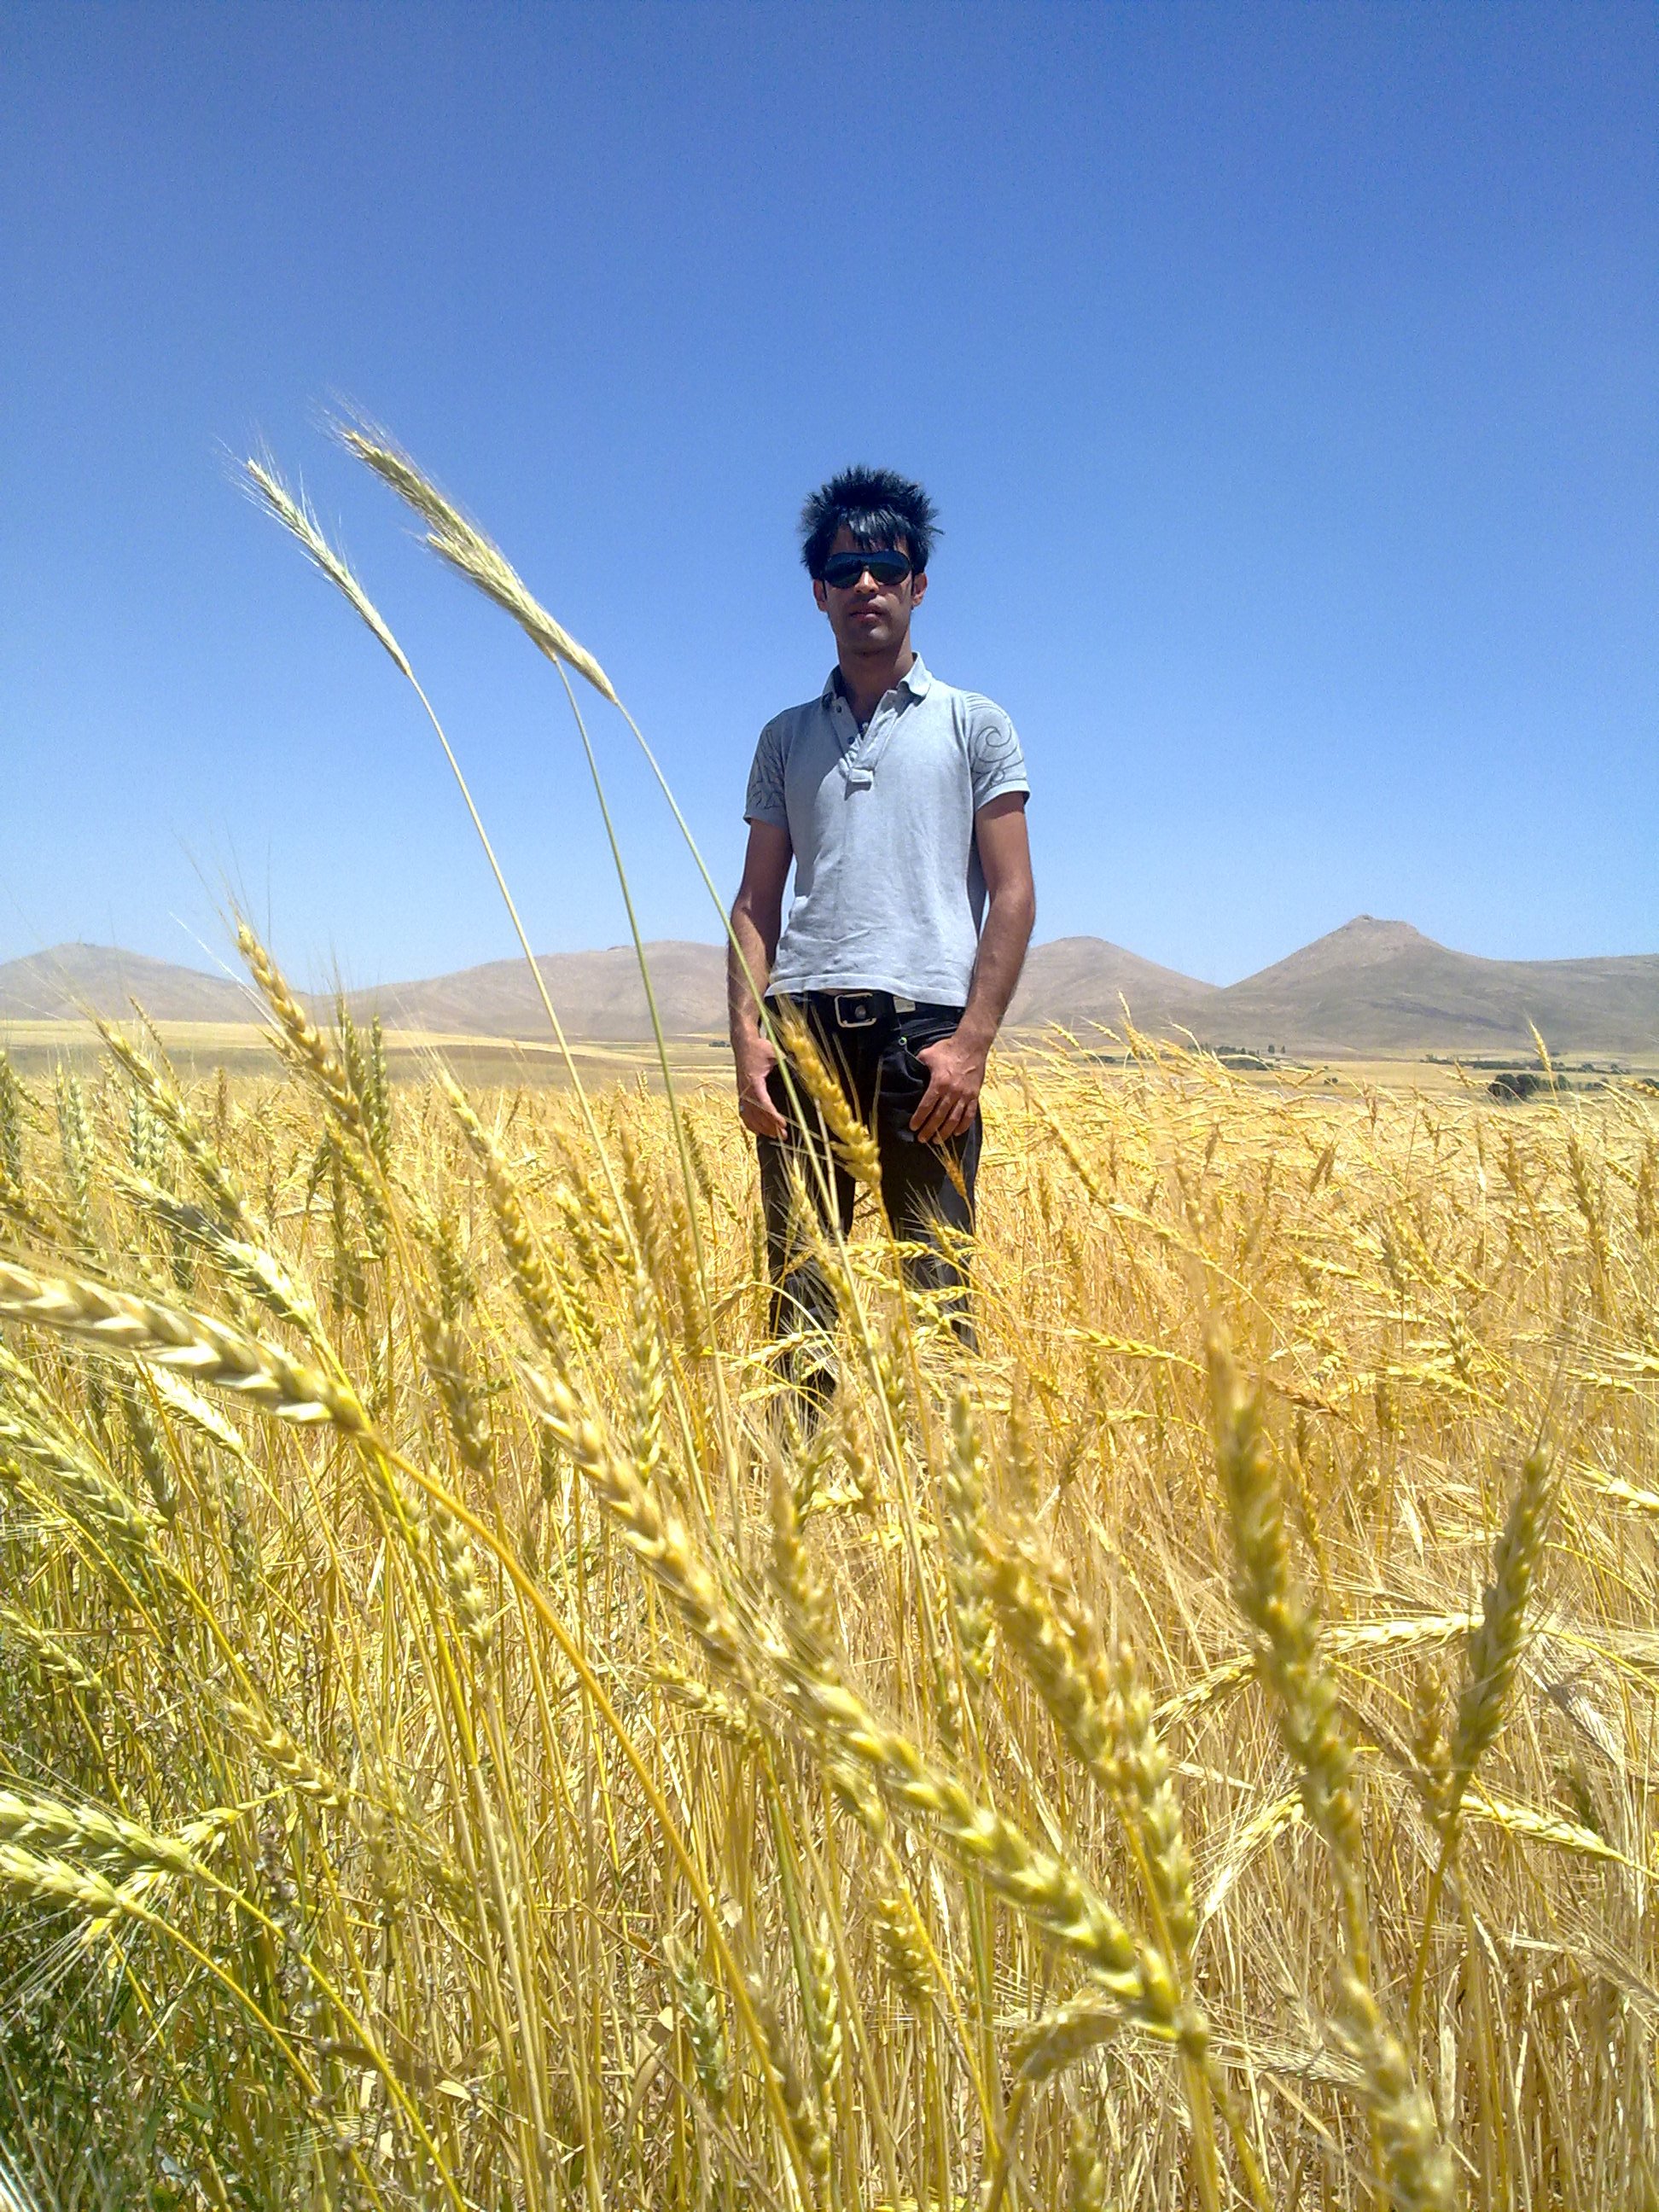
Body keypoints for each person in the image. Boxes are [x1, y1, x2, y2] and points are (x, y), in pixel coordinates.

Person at [727, 466, 1035, 1401]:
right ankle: (799, 1486)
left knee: (938, 1302)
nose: (866, 583)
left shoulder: (976, 725)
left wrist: (971, 1047)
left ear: (919, 586)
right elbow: (756, 902)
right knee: (799, 1301)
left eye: (887, 568)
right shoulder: (784, 738)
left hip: (923, 1042)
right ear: (818, 592)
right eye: (844, 569)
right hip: (801, 1034)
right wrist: (746, 1040)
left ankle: (946, 1496)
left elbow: (1014, 893)